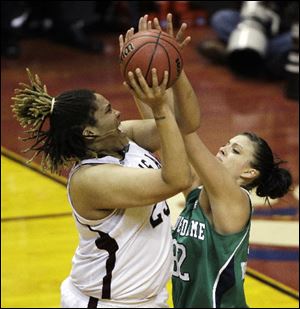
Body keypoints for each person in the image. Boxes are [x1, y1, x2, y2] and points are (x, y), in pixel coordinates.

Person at [125, 13, 293, 308]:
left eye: (236, 151)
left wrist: (175, 67)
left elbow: (185, 132)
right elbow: (164, 136)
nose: (224, 149)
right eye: (228, 144)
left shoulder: (235, 201)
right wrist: (141, 80)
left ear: (249, 172)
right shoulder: (196, 195)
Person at [11, 67, 192, 308]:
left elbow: (186, 124)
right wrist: (159, 108)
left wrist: (175, 68)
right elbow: (178, 179)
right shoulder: (90, 180)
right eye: (108, 110)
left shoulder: (124, 137)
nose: (117, 113)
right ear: (89, 132)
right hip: (108, 304)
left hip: (145, 299)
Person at [198, 1, 298, 79]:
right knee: (221, 18)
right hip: (251, 23)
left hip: (279, 33)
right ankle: (254, 57)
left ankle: (236, 54)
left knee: (293, 38)